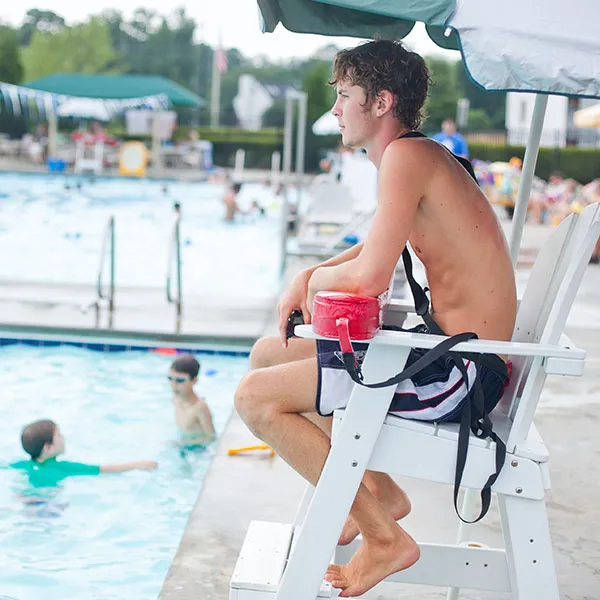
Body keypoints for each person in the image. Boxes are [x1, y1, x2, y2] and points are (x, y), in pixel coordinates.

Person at [233, 39, 516, 598]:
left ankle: (384, 536)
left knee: (255, 398)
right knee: (270, 354)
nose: (336, 109)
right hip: (454, 359)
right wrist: (308, 275)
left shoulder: (408, 159)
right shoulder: (416, 157)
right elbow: (370, 249)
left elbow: (369, 278)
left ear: (381, 101)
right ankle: (375, 493)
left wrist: (312, 283)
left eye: (344, 96)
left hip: (460, 374)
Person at [10, 419, 157, 488]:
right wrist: (137, 464)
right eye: (59, 436)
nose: (64, 438)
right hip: (47, 504)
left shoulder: (21, 465)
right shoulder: (64, 467)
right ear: (48, 448)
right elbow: (100, 470)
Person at [169, 354, 216, 448]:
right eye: (170, 379)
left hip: (197, 452)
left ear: (194, 380)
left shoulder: (200, 407)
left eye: (180, 380)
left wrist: (185, 443)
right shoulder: (176, 399)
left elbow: (211, 437)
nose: (173, 385)